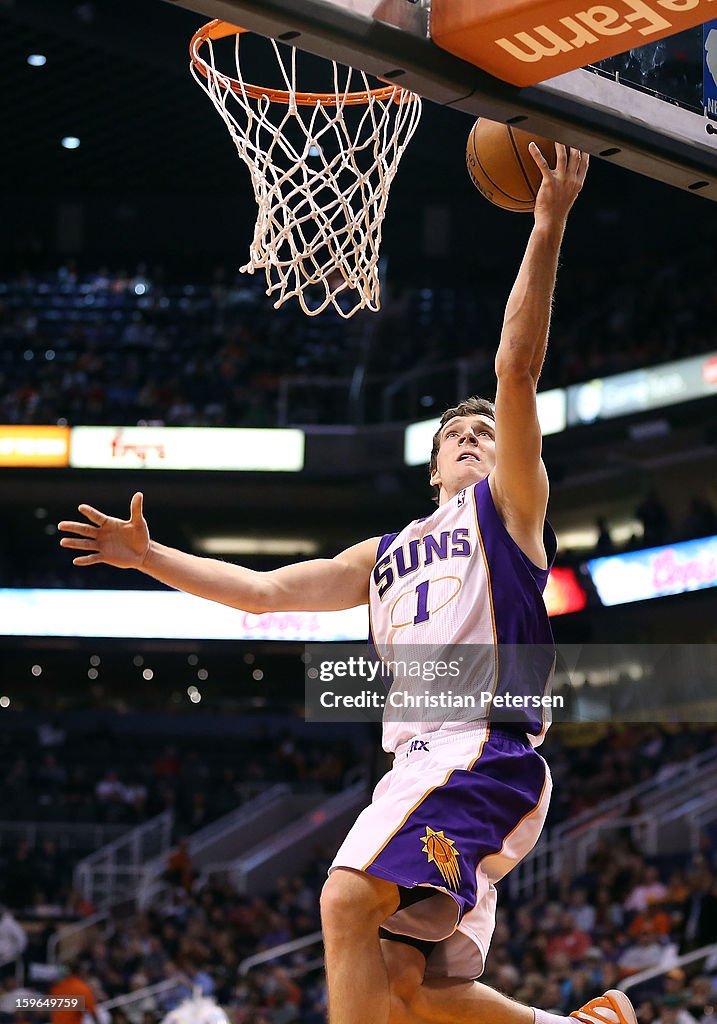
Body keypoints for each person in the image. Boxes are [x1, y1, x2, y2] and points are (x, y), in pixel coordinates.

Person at [59, 146, 633, 1024]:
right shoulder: (383, 553)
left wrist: (547, 221)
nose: (476, 436)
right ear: (432, 463)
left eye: (486, 431)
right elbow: (263, 593)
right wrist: (150, 558)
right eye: (458, 435)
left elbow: (514, 370)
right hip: (414, 764)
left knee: (342, 901)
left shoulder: (509, 512)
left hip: (481, 750)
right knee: (412, 986)